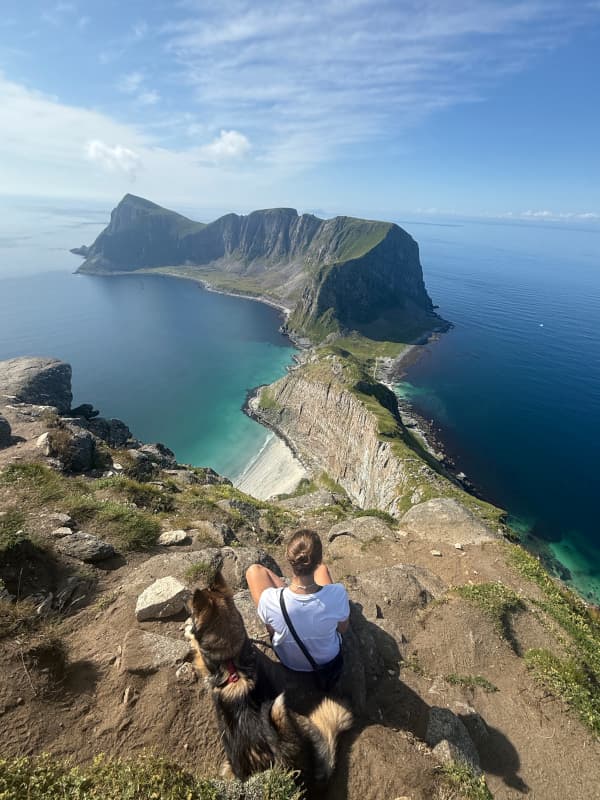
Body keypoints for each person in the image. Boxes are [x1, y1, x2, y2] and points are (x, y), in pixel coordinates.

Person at [245, 529, 350, 677]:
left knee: (253, 570)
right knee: (322, 570)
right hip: (328, 659)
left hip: (290, 661)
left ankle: (292, 594)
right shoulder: (338, 593)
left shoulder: (269, 600)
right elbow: (342, 629)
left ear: (288, 557)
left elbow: (272, 630)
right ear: (319, 558)